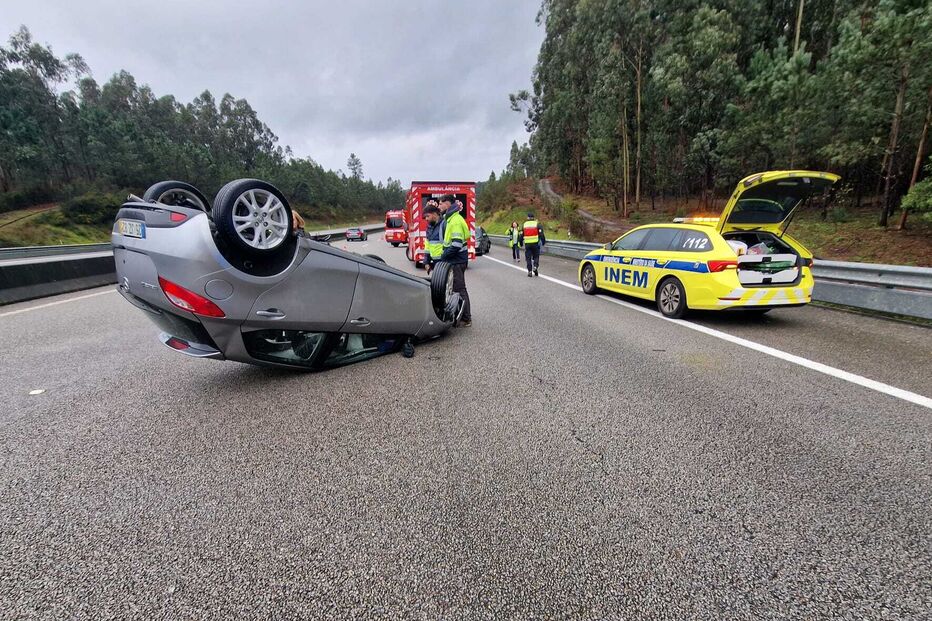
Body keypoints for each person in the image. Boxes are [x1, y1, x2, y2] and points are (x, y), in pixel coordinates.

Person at [437, 194, 471, 326]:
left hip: (457, 260)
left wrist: (444, 256)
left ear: (448, 204)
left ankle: (466, 319)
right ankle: (461, 316)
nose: (439, 206)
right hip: (456, 260)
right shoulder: (451, 218)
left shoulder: (455, 220)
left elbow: (456, 244)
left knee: (459, 289)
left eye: (441, 203)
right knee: (456, 289)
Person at [519, 211, 546, 277]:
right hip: (535, 244)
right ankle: (535, 267)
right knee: (536, 256)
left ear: (527, 217)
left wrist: (521, 243)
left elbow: (521, 235)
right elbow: (541, 234)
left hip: (527, 244)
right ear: (533, 217)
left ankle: (530, 271)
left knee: (528, 258)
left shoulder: (524, 225)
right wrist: (543, 241)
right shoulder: (537, 224)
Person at [422, 204, 443, 273]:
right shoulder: (429, 227)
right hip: (435, 262)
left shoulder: (444, 224)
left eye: (428, 216)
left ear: (434, 214)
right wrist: (426, 262)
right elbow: (427, 246)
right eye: (425, 217)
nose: (426, 219)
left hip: (444, 261)